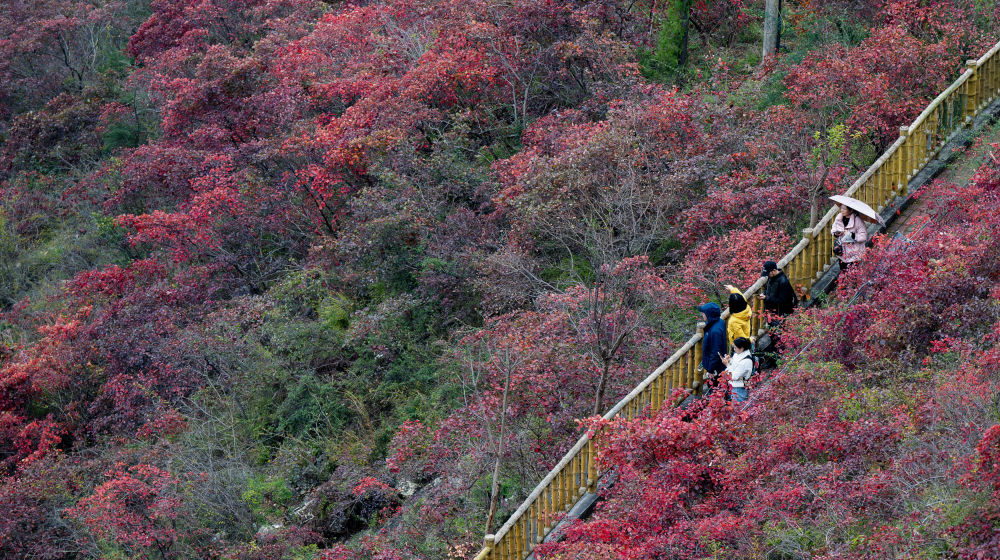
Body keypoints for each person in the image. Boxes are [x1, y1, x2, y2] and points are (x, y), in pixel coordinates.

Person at [697, 303, 728, 390]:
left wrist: (711, 370)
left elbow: (715, 352)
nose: (702, 315)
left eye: (704, 313)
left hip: (716, 367)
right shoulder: (719, 322)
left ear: (709, 314)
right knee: (719, 386)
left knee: (715, 387)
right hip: (718, 364)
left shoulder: (715, 331)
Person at [831, 204, 868, 271]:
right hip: (842, 253)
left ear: (851, 210)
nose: (842, 210)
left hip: (854, 254)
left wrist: (851, 235)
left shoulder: (858, 220)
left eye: (844, 209)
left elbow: (863, 236)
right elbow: (833, 229)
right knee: (843, 273)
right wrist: (836, 233)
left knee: (854, 275)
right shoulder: (839, 218)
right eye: (841, 208)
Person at [720, 337, 753, 403]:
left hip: (739, 389)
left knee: (738, 410)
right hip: (734, 386)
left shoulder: (746, 361)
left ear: (742, 348)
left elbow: (733, 376)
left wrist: (727, 365)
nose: (734, 349)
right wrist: (729, 360)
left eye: (735, 347)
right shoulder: (739, 354)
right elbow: (735, 364)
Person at [724, 284, 752, 351]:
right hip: (747, 333)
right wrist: (732, 289)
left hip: (738, 348)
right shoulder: (746, 308)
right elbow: (741, 296)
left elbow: (741, 339)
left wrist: (750, 340)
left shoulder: (734, 321)